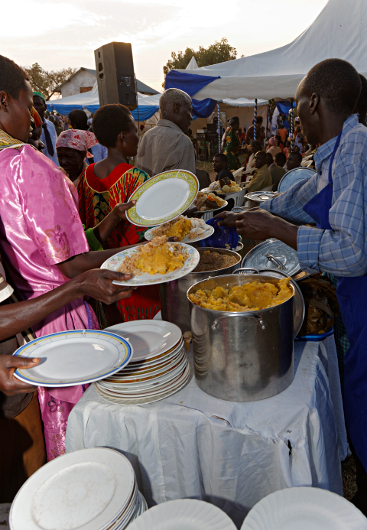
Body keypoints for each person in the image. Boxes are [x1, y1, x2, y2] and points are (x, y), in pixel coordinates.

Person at [217, 58, 367, 512]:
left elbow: (354, 252)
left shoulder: (358, 145)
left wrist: (278, 230)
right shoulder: (337, 150)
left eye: (298, 106)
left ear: (315, 102)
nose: (296, 119)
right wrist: (244, 214)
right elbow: (303, 199)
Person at [0, 55, 135, 459]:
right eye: (29, 103)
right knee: (88, 442)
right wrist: (136, 255)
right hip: (61, 323)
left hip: (23, 329)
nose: (34, 115)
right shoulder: (28, 165)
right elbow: (69, 265)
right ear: (4, 101)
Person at [0, 251, 135, 502]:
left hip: (14, 379)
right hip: (9, 408)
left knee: (35, 488)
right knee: (23, 498)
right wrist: (76, 288)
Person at [78, 103, 160, 324]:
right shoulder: (137, 178)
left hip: (100, 274)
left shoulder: (86, 175)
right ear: (123, 136)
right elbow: (147, 233)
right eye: (135, 130)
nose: (138, 136)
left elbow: (84, 226)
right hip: (133, 277)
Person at [135, 88, 195, 177]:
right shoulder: (181, 140)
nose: (191, 117)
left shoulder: (146, 136)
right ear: (177, 108)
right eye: (189, 111)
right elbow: (184, 186)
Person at [32, 91, 59, 166]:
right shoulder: (27, 127)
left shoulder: (50, 125)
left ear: (45, 107)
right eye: (32, 105)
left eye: (38, 104)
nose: (35, 108)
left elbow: (54, 146)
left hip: (54, 166)